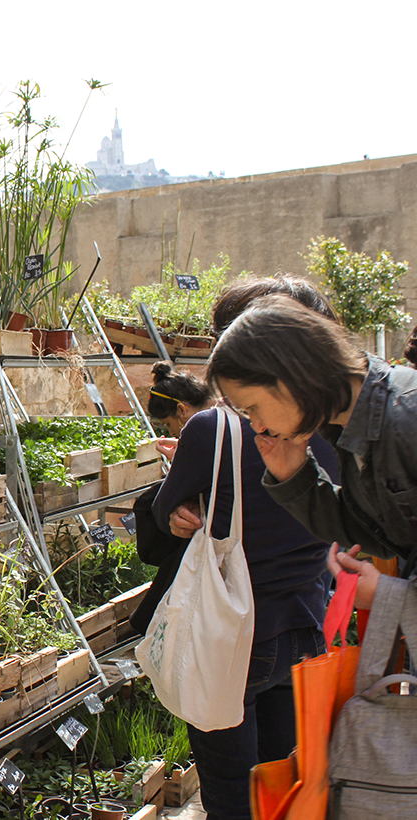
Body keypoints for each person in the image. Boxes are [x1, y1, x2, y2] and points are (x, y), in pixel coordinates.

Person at [149, 279, 341, 820]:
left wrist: (184, 508)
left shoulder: (216, 427)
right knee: (280, 777)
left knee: (230, 784)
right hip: (308, 623)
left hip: (232, 634)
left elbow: (167, 513)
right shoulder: (331, 422)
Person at [207, 295, 417, 611]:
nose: (257, 426)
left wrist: (395, 598)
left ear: (292, 376)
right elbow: (380, 535)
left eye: (253, 408)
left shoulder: (406, 417)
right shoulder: (350, 422)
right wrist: (294, 477)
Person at [128, 362, 212, 635]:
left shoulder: (203, 429)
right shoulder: (220, 421)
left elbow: (164, 504)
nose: (172, 430)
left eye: (168, 424)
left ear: (182, 410)